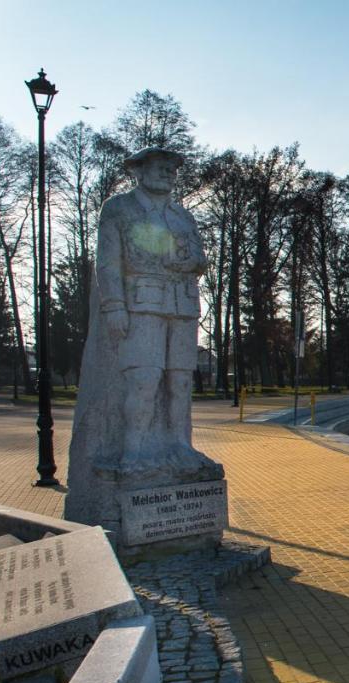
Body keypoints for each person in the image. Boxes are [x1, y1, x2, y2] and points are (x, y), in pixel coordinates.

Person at [93, 146, 208, 472]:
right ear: (139, 171)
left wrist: (190, 261)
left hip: (182, 304)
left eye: (171, 169)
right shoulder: (119, 209)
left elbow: (200, 258)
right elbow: (108, 262)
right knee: (144, 379)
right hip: (141, 303)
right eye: (160, 167)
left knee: (181, 381)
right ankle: (134, 450)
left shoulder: (183, 216)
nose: (167, 173)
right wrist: (114, 305)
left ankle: (180, 445)